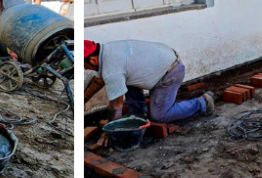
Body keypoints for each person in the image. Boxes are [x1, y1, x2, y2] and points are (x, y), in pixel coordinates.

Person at [83, 39, 215, 126]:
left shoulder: (112, 68)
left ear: (93, 60)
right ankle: (139, 112)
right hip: (162, 59)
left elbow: (116, 105)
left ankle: (203, 102)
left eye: (85, 66)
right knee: (124, 80)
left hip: (170, 72)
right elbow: (98, 80)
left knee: (160, 116)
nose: (86, 69)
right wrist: (83, 100)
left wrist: (111, 131)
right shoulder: (107, 49)